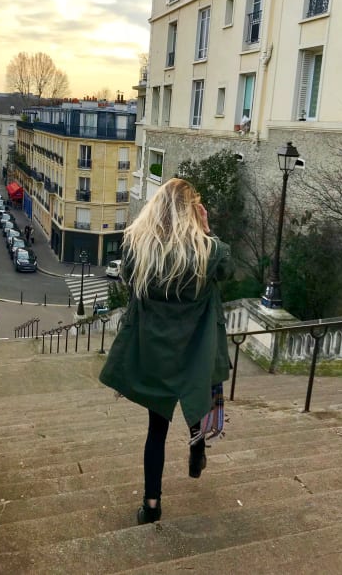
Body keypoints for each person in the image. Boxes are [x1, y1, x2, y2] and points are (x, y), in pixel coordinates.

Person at [99, 178, 231, 525]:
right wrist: (206, 230)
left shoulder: (137, 249)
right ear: (192, 213)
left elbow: (128, 277)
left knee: (155, 431)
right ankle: (197, 448)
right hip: (195, 351)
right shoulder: (208, 251)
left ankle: (152, 505)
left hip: (155, 353)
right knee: (198, 400)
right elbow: (226, 269)